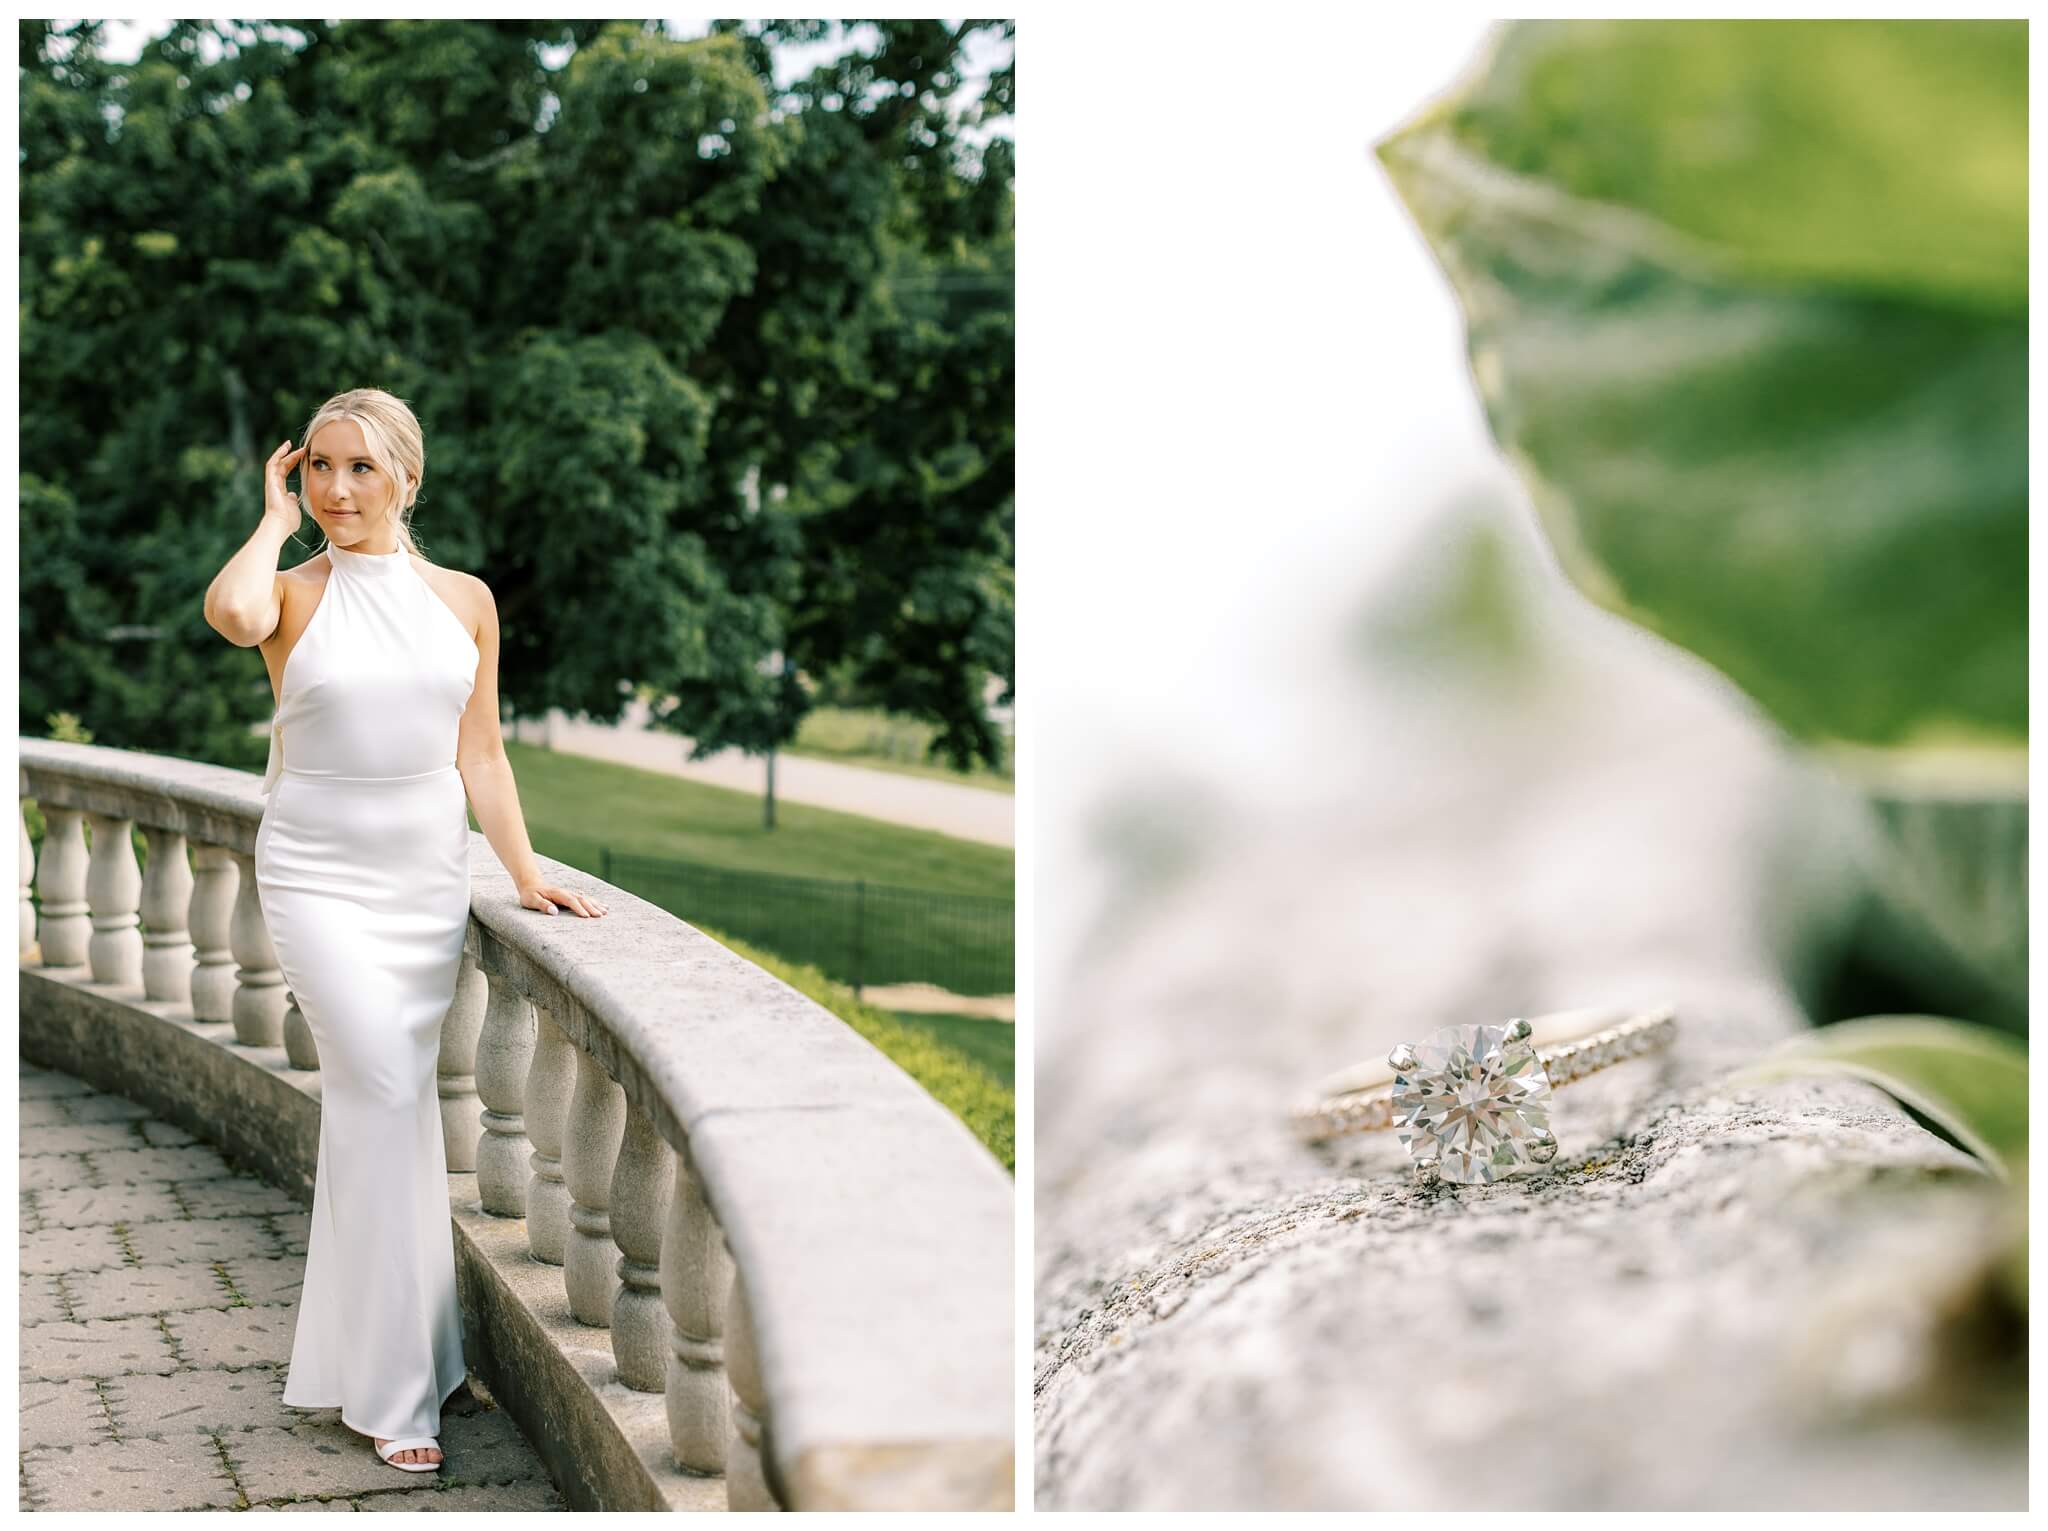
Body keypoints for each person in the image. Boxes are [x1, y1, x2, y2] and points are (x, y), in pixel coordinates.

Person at [201, 387, 607, 1471]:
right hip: (317, 871)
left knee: (391, 1115)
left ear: (407, 479)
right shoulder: (288, 591)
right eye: (319, 468)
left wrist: (523, 872)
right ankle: (396, 1393)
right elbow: (229, 614)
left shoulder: (465, 599)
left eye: (360, 470)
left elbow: (481, 752)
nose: (336, 489)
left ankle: (413, 1358)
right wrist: (267, 519)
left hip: (422, 875)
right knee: (381, 1090)